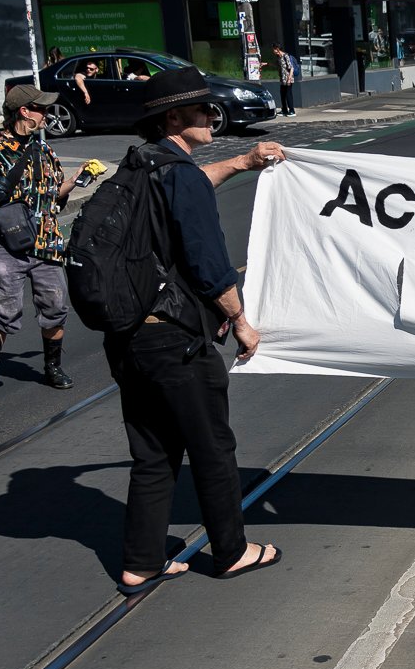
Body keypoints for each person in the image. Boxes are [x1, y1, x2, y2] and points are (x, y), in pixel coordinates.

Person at [106, 66, 285, 594]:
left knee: (153, 451)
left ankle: (141, 561)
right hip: (176, 340)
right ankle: (231, 551)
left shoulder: (140, 165)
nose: (212, 113)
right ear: (173, 119)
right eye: (201, 108)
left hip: (130, 337)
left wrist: (243, 162)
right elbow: (210, 265)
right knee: (212, 448)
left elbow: (189, 184)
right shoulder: (177, 175)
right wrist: (241, 321)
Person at [0, 83, 98, 402]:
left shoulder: (44, 149)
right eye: (42, 109)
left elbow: (53, 195)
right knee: (4, 311)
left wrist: (76, 179)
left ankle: (53, 366)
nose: (47, 114)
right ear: (25, 111)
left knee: (55, 306)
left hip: (46, 242)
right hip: (4, 242)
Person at [273, 43, 297, 116]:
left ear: (277, 49)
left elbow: (291, 68)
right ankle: (284, 110)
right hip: (283, 79)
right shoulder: (279, 57)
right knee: (282, 94)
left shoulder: (285, 56)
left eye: (273, 49)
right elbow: (277, 65)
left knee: (288, 94)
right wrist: (267, 64)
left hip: (288, 78)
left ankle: (292, 111)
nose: (273, 51)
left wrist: (289, 79)